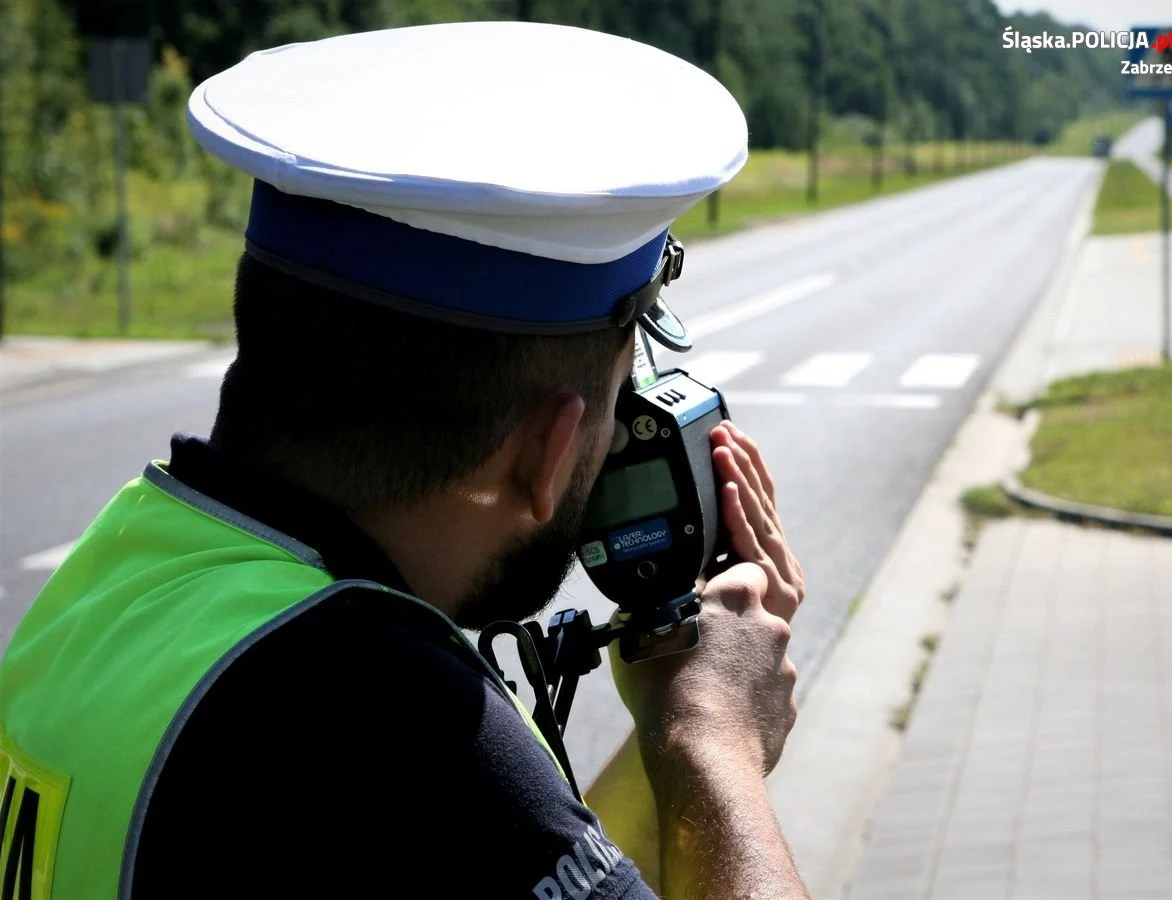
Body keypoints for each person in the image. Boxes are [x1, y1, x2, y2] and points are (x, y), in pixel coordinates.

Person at [0, 22, 809, 899]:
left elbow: (537, 869)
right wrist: (714, 742)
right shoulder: (379, 709)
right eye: (618, 406)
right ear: (546, 450)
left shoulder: (120, 576)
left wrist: (671, 718)